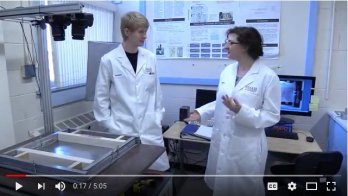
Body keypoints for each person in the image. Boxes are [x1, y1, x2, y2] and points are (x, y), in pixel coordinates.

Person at [185, 27, 281, 195]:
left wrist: (240, 111)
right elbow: (223, 101)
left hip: (246, 148)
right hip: (222, 142)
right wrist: (202, 112)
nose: (225, 46)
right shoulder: (228, 71)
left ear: (245, 46)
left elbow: (271, 116)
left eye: (230, 42)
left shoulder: (268, 77)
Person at [93, 11, 170, 171]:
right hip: (121, 129)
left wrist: (157, 117)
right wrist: (109, 125)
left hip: (150, 128)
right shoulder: (109, 60)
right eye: (141, 32)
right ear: (127, 31)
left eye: (145, 31)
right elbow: (101, 98)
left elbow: (157, 93)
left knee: (156, 175)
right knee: (126, 175)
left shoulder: (150, 58)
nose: (145, 36)